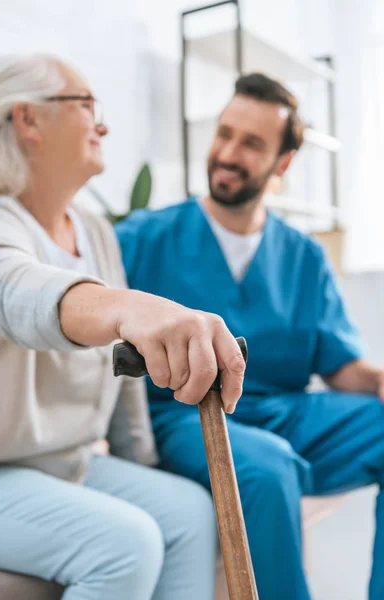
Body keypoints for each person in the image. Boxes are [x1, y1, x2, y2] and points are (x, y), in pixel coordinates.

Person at [0, 53, 246, 600]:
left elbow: (122, 393)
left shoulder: (97, 232)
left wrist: (142, 467)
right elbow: (14, 291)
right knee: (127, 542)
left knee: (189, 513)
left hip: (66, 465)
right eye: (86, 106)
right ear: (28, 120)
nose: (102, 124)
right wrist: (125, 309)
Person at [116, 72, 384, 600]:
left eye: (252, 143)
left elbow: (341, 366)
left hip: (287, 413)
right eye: (225, 133)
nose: (229, 153)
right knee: (264, 467)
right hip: (187, 414)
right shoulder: (142, 237)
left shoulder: (303, 256)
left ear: (282, 163)